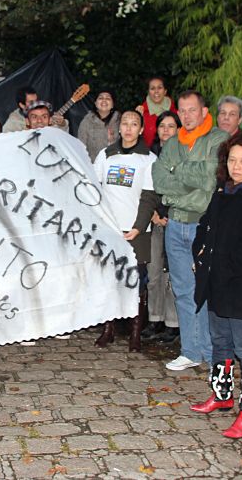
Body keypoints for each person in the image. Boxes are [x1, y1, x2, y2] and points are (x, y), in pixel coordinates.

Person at [189, 133, 242, 439]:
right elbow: (205, 225)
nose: (236, 167)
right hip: (217, 279)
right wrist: (200, 254)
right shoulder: (224, 191)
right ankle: (222, 394)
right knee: (220, 340)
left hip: (241, 283)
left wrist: (222, 270)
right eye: (232, 160)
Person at [153, 90, 229, 371]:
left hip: (203, 224)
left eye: (192, 110)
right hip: (175, 225)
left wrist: (177, 174)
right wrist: (185, 182)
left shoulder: (218, 139)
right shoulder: (173, 143)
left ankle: (211, 354)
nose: (186, 116)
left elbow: (211, 178)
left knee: (205, 290)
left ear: (204, 111)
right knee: (183, 290)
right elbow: (159, 180)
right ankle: (190, 351)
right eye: (182, 110)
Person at [93, 111, 160, 352]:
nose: (129, 128)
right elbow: (94, 189)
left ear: (141, 130)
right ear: (118, 127)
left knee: (136, 283)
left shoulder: (148, 159)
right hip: (109, 229)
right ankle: (108, 329)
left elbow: (149, 196)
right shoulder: (106, 155)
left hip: (136, 231)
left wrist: (138, 227)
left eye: (134, 124)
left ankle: (135, 333)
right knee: (108, 281)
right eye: (125, 124)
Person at [142, 111, 181, 343]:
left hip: (176, 221)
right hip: (154, 221)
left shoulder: (185, 155)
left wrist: (169, 214)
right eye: (162, 126)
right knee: (154, 272)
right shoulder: (149, 156)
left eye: (171, 126)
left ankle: (172, 323)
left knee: (172, 275)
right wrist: (154, 215)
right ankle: (154, 318)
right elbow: (145, 190)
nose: (166, 130)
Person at [77, 89, 121, 159]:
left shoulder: (120, 121)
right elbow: (80, 146)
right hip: (90, 163)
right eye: (100, 98)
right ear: (95, 103)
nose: (104, 100)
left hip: (114, 162)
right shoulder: (87, 121)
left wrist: (112, 141)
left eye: (108, 98)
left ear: (113, 104)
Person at [135, 76, 177, 148]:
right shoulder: (141, 112)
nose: (156, 91)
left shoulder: (175, 112)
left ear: (165, 91)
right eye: (152, 88)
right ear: (148, 92)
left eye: (159, 88)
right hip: (148, 153)